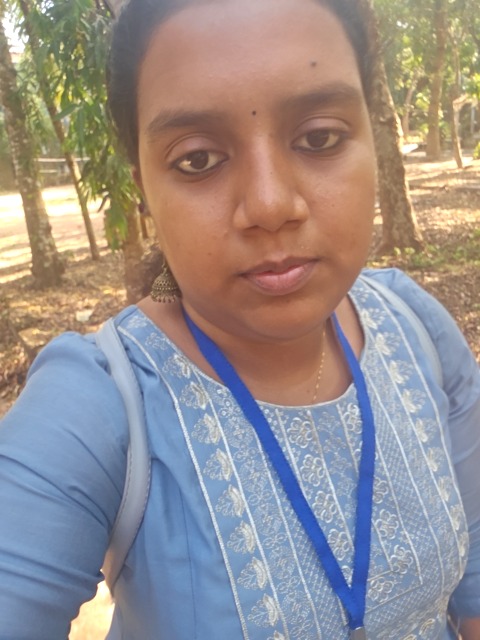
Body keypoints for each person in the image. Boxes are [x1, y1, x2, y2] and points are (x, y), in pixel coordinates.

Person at [0, 0, 479, 638]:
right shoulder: (98, 404)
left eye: (319, 138)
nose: (271, 204)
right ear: (143, 185)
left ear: (374, 134)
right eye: (198, 159)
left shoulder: (417, 327)